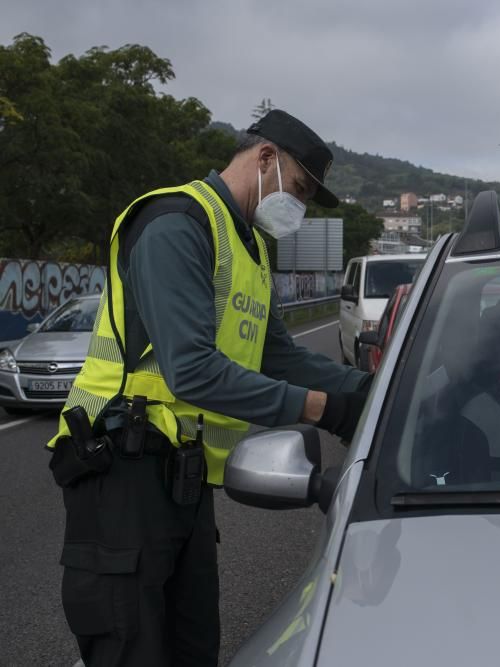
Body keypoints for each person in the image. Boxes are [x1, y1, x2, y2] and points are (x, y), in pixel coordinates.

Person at [46, 109, 370, 667]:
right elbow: (190, 369)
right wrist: (319, 408)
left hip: (184, 482)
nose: (296, 207)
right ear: (265, 158)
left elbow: (280, 356)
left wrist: (372, 392)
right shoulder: (178, 223)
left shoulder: (250, 249)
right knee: (133, 649)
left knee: (194, 648)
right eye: (298, 188)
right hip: (120, 468)